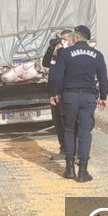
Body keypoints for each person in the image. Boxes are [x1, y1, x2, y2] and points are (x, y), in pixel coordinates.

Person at [49, 25, 108, 182]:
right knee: (84, 133)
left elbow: (57, 75)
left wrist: (54, 93)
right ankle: (83, 171)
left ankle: (69, 169)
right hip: (88, 98)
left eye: (73, 35)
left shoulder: (66, 53)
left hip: (69, 97)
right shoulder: (97, 55)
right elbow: (103, 77)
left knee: (69, 131)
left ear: (77, 37)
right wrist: (103, 96)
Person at [41, 29, 72, 161]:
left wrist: (63, 50)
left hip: (66, 93)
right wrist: (52, 47)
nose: (62, 42)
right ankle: (63, 149)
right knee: (58, 123)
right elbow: (46, 63)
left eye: (65, 39)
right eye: (61, 39)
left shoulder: (72, 54)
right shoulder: (57, 53)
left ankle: (71, 151)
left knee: (68, 124)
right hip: (54, 93)